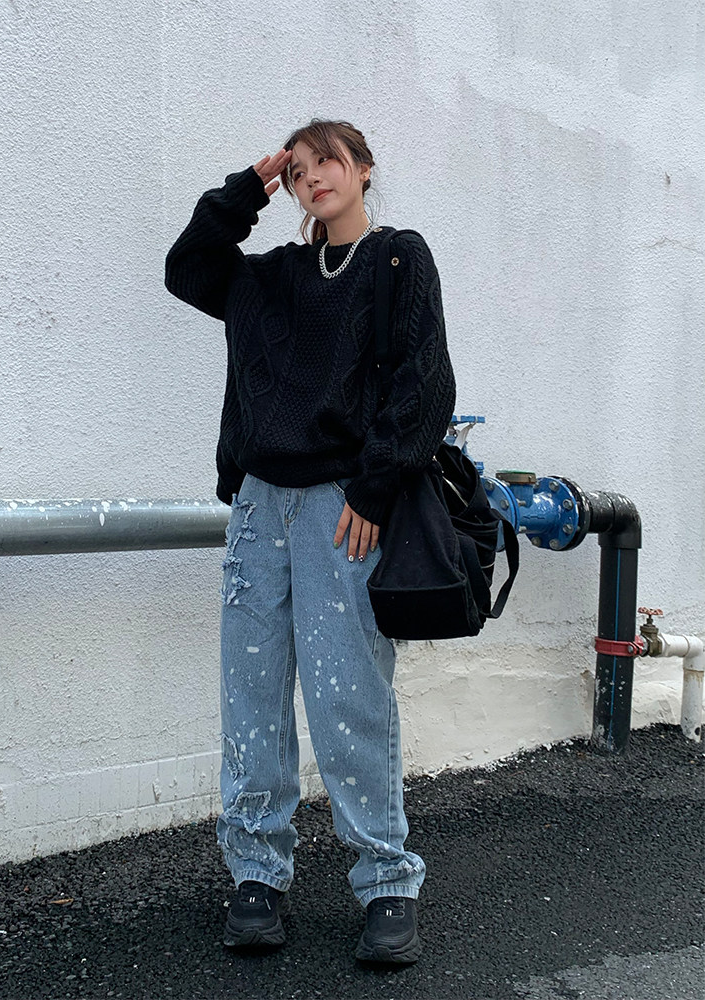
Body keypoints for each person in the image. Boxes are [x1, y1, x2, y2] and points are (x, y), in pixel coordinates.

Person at [164, 118, 457, 964]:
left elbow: (426, 379)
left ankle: (387, 881)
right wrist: (242, 192)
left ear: (363, 168)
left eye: (328, 160)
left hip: (343, 508)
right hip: (261, 507)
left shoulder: (397, 259)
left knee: (348, 697)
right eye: (297, 170)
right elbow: (188, 270)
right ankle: (257, 876)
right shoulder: (274, 276)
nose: (313, 177)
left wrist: (375, 484)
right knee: (252, 694)